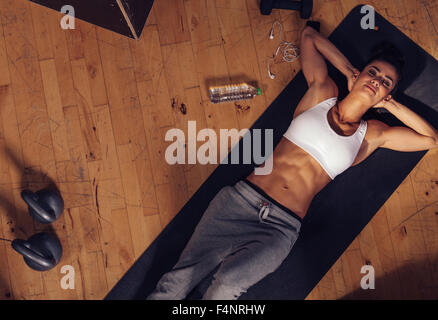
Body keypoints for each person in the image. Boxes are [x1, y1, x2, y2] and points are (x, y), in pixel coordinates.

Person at [147, 24, 438, 300]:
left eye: (385, 82)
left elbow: (430, 139)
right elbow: (310, 36)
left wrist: (390, 103)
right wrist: (349, 71)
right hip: (239, 203)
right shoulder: (323, 93)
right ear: (360, 74)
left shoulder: (372, 135)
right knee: (178, 281)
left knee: (226, 289)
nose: (376, 80)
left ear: (388, 94)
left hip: (280, 228)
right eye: (373, 72)